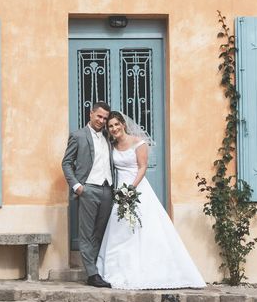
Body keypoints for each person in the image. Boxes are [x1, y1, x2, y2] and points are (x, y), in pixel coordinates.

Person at [97, 111, 206, 290]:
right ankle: (121, 268)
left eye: (117, 124)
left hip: (136, 189)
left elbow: (142, 167)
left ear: (123, 124)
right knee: (121, 230)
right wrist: (121, 192)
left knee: (144, 229)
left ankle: (151, 269)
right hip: (120, 192)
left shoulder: (138, 143)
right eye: (110, 126)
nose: (114, 128)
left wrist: (131, 189)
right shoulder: (112, 145)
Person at [61, 102, 114, 288]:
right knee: (86, 233)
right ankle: (92, 275)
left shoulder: (109, 137)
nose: (102, 121)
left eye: (105, 118)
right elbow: (66, 163)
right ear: (91, 114)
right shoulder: (78, 136)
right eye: (99, 116)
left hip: (108, 190)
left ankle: (96, 268)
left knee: (100, 232)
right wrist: (77, 186)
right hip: (88, 189)